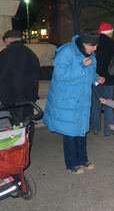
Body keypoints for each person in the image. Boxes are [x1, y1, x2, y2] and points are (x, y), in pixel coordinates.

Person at [43, 34, 104, 174]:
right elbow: (61, 75)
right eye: (92, 46)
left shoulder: (90, 54)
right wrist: (82, 66)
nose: (95, 49)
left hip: (82, 98)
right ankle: (72, 163)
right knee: (70, 132)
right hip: (67, 99)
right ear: (84, 44)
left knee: (81, 130)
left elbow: (91, 73)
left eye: (96, 46)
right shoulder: (66, 53)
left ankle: (83, 159)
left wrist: (96, 78)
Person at [0, 30, 40, 126]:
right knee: (27, 123)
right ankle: (28, 140)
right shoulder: (31, 53)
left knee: (14, 127)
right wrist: (32, 96)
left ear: (7, 40)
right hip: (28, 99)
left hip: (11, 99)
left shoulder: (5, 54)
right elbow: (36, 76)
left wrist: (1, 95)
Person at [90, 22, 114, 136]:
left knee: (95, 104)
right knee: (109, 105)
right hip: (109, 79)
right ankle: (109, 129)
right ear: (109, 33)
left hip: (95, 78)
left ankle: (95, 128)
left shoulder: (94, 43)